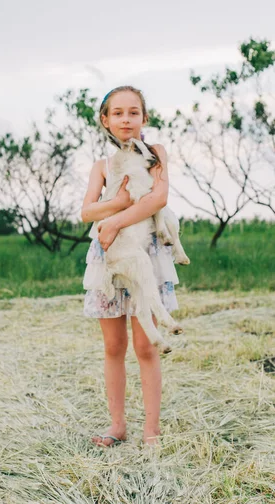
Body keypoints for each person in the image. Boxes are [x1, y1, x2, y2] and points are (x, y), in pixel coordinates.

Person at [81, 85, 180, 448]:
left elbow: (159, 197)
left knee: (145, 345)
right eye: (118, 113)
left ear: (144, 117)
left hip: (145, 251)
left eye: (133, 112)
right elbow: (87, 211)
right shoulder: (102, 166)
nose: (126, 119)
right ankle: (117, 425)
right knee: (113, 346)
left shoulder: (156, 154)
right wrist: (118, 202)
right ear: (105, 120)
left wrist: (116, 219)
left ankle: (151, 430)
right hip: (108, 256)